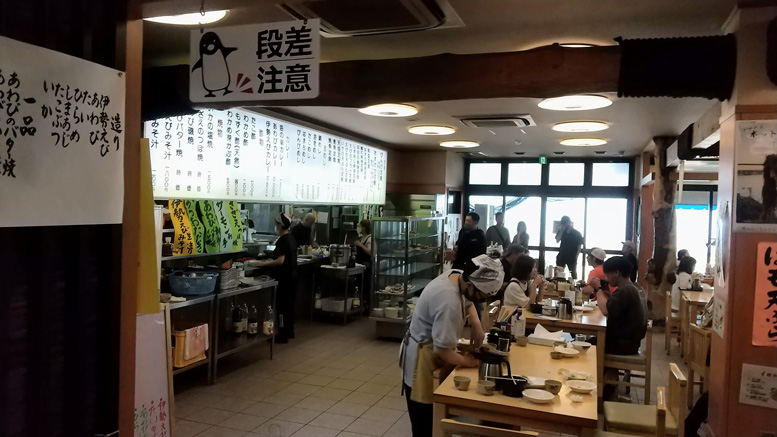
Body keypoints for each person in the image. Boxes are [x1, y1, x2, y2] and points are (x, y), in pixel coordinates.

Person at [400, 254, 503, 437]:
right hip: (421, 359)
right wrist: (467, 361)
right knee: (424, 425)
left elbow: (468, 301)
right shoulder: (449, 302)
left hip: (427, 349)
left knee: (432, 420)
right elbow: (442, 350)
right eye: (482, 297)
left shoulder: (458, 275)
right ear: (470, 286)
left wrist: (476, 323)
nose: (481, 301)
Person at [590, 256, 647, 355]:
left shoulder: (625, 290)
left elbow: (606, 311)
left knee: (581, 345)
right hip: (631, 343)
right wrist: (606, 292)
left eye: (607, 274)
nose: (606, 278)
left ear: (616, 272)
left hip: (620, 345)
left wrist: (598, 288)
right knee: (587, 340)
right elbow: (615, 306)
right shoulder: (635, 287)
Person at [254, 213, 298, 343]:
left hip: (284, 278)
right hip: (293, 277)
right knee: (290, 306)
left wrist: (262, 264)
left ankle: (282, 335)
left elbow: (280, 260)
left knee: (282, 307)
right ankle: (290, 331)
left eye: (276, 224)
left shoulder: (282, 240)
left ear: (280, 225)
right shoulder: (291, 238)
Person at [353, 219, 373, 308]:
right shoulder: (361, 238)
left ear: (364, 228)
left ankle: (366, 306)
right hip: (360, 266)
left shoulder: (369, 238)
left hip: (366, 267)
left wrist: (361, 245)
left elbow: (370, 252)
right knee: (360, 286)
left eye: (359, 226)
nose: (358, 228)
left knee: (365, 287)